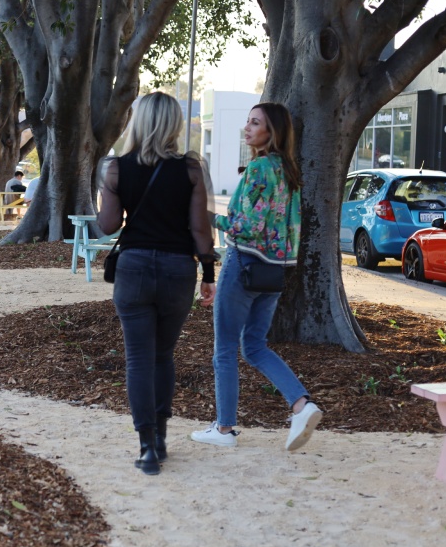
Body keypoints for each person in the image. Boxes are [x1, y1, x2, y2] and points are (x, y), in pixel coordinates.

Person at [97, 91, 217, 476]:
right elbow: (201, 230)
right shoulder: (191, 169)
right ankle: (162, 438)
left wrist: (105, 193)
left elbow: (108, 226)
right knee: (163, 355)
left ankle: (147, 446)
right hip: (177, 269)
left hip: (132, 268)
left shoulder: (116, 169)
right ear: (174, 125)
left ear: (138, 122)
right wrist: (209, 276)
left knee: (138, 359)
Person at [191, 102, 323, 451]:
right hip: (275, 271)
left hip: (245, 264)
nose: (247, 129)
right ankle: (300, 404)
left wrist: (206, 218)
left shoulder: (259, 168)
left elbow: (245, 227)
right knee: (254, 346)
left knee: (224, 348)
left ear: (272, 132)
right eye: (247, 122)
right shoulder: (289, 170)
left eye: (255, 123)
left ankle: (223, 430)